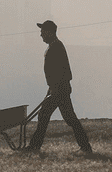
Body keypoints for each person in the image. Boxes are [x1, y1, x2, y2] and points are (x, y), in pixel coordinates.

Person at [20, 20, 93, 154]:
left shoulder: (56, 47)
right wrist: (51, 87)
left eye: (42, 32)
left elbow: (63, 71)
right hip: (58, 89)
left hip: (60, 89)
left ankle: (35, 146)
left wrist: (56, 88)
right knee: (67, 118)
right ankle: (85, 147)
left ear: (50, 32)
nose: (41, 34)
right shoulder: (54, 46)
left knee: (48, 115)